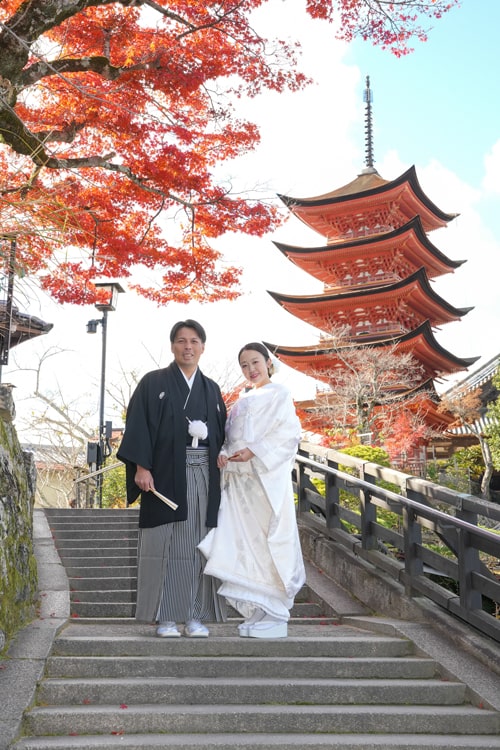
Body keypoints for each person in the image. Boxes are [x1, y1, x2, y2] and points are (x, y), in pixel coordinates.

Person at [117, 319, 227, 638]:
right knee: (164, 545)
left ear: (203, 347)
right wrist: (141, 466)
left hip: (204, 475)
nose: (188, 346)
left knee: (200, 545)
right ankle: (166, 617)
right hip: (164, 476)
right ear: (172, 346)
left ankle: (195, 616)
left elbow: (223, 435)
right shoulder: (153, 383)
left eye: (194, 341)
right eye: (181, 341)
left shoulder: (212, 390)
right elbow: (138, 425)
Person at [198, 342, 306, 638]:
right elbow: (229, 437)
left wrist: (255, 451)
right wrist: (223, 452)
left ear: (268, 362)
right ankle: (260, 608)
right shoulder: (242, 401)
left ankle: (276, 613)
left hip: (265, 481)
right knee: (247, 544)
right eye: (244, 365)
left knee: (268, 541)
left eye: (255, 362)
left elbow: (288, 433)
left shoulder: (280, 394)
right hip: (240, 483)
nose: (251, 370)